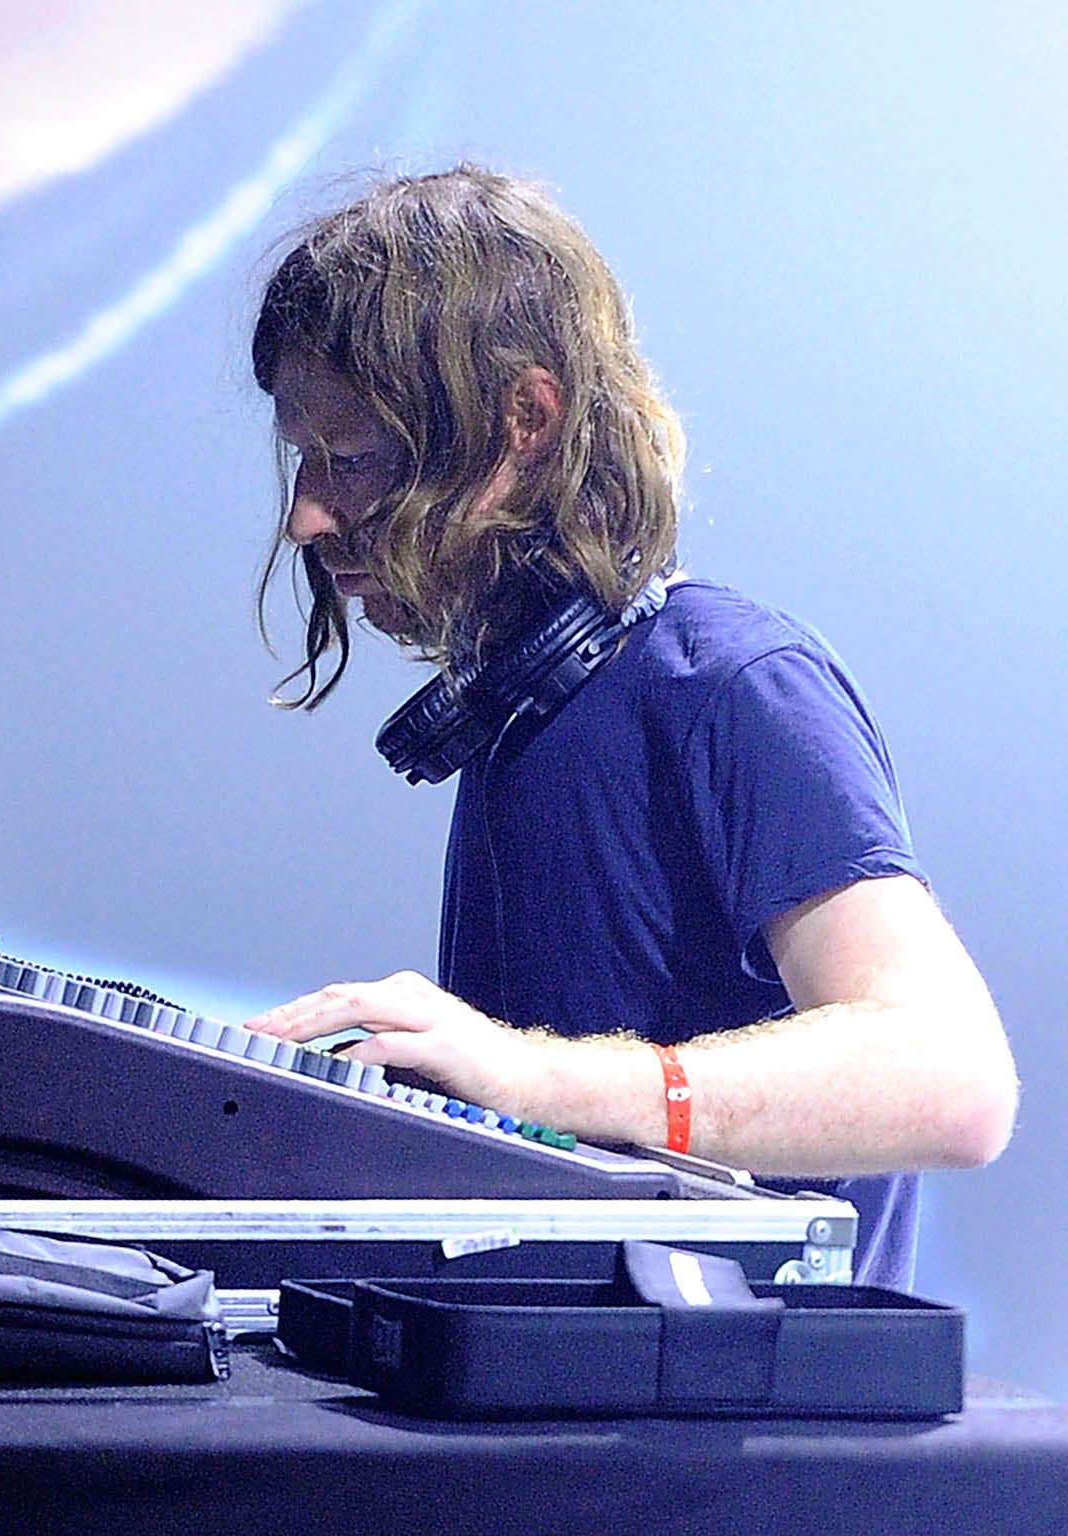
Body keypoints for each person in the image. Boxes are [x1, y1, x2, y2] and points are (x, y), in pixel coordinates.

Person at [239, 164, 1017, 1289]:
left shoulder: (731, 683)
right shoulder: (526, 710)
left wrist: (531, 1076)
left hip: (733, 1459)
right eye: (304, 463)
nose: (309, 515)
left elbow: (950, 1082)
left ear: (525, 421)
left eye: (350, 460)